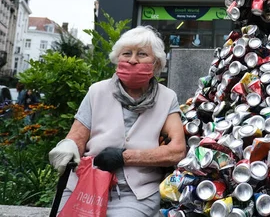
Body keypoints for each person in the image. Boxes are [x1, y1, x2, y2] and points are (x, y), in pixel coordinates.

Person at [48, 26, 186, 216]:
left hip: (135, 195)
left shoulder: (167, 98)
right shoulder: (97, 91)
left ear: (156, 64)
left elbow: (177, 151)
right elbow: (77, 137)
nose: (132, 60)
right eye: (127, 53)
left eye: (142, 54)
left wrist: (124, 157)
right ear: (117, 59)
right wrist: (69, 146)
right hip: (87, 184)